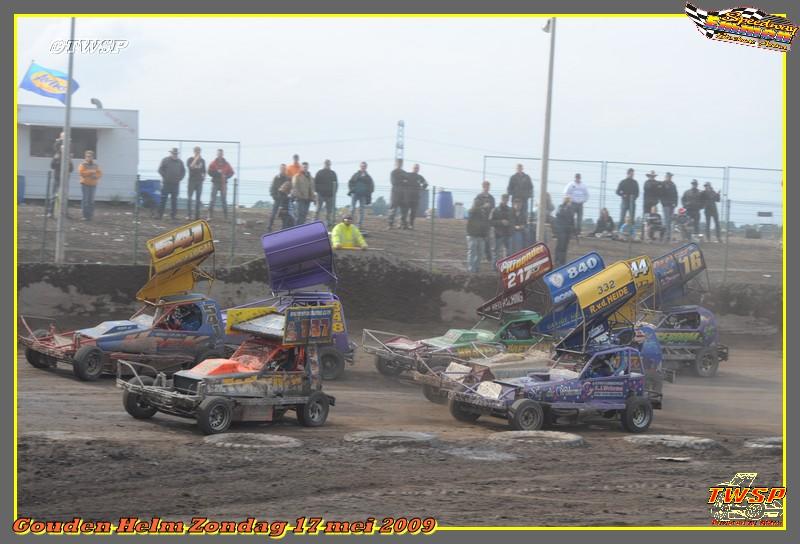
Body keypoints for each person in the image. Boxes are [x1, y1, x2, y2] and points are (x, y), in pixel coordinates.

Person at [157, 147, 186, 220]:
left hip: (175, 184)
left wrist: (180, 178)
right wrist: (165, 176)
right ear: (171, 153)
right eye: (173, 153)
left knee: (174, 200)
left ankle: (173, 215)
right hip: (166, 183)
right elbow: (160, 169)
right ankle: (160, 215)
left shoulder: (180, 162)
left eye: (176, 153)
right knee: (163, 199)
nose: (175, 155)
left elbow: (183, 171)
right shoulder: (165, 160)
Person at [207, 149, 234, 220]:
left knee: (224, 200)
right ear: (217, 154)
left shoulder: (227, 164)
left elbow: (231, 172)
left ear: (223, 155)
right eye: (219, 154)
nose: (220, 155)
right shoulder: (213, 163)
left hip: (223, 183)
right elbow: (209, 172)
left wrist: (226, 176)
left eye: (221, 154)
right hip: (215, 182)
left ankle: (226, 217)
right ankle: (209, 215)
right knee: (212, 199)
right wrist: (217, 173)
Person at [466, 198, 491, 273]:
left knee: (480, 253)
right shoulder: (472, 211)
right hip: (472, 235)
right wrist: (482, 207)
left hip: (481, 236)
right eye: (477, 203)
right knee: (472, 252)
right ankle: (471, 269)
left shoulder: (483, 212)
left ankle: (476, 268)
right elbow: (472, 211)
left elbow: (485, 223)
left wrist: (485, 234)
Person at [348, 161, 374, 229]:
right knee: (352, 209)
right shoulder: (355, 175)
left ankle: (359, 225)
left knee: (362, 210)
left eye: (364, 166)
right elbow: (350, 182)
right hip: (355, 194)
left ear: (366, 167)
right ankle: (349, 224)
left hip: (363, 195)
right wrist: (353, 190)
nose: (363, 167)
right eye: (362, 166)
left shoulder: (368, 177)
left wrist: (367, 193)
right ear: (360, 167)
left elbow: (371, 187)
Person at [48, 149, 73, 217]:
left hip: (65, 180)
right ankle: (51, 212)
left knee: (65, 196)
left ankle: (65, 213)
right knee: (54, 195)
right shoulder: (57, 156)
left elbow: (71, 169)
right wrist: (55, 159)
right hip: (57, 178)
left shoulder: (68, 157)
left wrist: (70, 161)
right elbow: (52, 166)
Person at [77, 150, 102, 221]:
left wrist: (96, 176)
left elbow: (99, 173)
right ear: (85, 157)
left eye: (90, 156)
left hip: (93, 184)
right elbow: (81, 173)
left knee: (91, 201)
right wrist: (91, 172)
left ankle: (90, 215)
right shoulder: (82, 165)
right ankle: (85, 216)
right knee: (85, 200)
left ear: (92, 157)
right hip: (85, 184)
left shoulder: (96, 165)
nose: (89, 158)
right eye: (87, 156)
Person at [475, 181, 496, 261]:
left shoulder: (491, 198)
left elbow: (494, 209)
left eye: (488, 186)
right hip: (480, 221)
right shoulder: (479, 197)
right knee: (480, 239)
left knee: (487, 239)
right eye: (485, 186)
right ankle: (479, 256)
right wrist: (484, 206)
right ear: (483, 187)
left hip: (488, 221)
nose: (487, 188)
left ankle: (488, 257)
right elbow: (475, 207)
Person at [314, 159, 338, 226]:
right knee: (318, 209)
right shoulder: (319, 172)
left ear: (330, 165)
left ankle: (328, 223)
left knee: (329, 211)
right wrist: (317, 192)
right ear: (324, 164)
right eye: (326, 164)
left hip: (330, 195)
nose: (327, 165)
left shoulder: (333, 173)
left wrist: (334, 193)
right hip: (320, 195)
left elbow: (336, 184)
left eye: (328, 164)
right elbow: (315, 183)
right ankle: (315, 222)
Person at [553, 196, 575, 266]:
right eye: (568, 201)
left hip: (567, 230)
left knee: (565, 247)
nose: (570, 203)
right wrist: (567, 208)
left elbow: (572, 219)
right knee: (560, 246)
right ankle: (557, 261)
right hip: (561, 230)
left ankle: (562, 261)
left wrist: (572, 230)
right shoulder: (561, 207)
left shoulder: (571, 209)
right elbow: (559, 214)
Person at [490, 194, 513, 260]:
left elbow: (513, 221)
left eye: (507, 199)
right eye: (504, 199)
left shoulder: (510, 210)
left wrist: (509, 223)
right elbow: (490, 222)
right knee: (496, 252)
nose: (505, 200)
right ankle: (495, 268)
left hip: (507, 234)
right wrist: (501, 222)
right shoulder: (495, 210)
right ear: (501, 199)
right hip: (498, 234)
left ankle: (506, 268)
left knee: (508, 253)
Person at [185, 146, 206, 220]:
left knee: (198, 199)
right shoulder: (190, 159)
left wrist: (203, 177)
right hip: (191, 181)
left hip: (199, 181)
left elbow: (204, 171)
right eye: (196, 151)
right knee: (189, 198)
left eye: (199, 151)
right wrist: (196, 158)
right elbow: (191, 167)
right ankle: (189, 215)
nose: (198, 152)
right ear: (194, 152)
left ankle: (197, 216)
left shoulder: (203, 161)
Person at [268, 164, 290, 231]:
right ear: (280, 169)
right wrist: (274, 196)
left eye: (284, 169)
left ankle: (284, 228)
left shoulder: (287, 178)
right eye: (282, 168)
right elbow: (272, 189)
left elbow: (289, 188)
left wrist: (287, 197)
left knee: (284, 215)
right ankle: (269, 226)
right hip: (277, 199)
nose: (283, 170)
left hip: (284, 200)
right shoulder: (276, 178)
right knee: (273, 214)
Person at [405, 163, 428, 229]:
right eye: (415, 168)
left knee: (413, 212)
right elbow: (402, 182)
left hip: (416, 197)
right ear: (412, 168)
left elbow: (425, 184)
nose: (416, 169)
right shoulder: (408, 175)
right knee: (405, 211)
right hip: (407, 196)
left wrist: (421, 188)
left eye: (417, 168)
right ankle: (403, 224)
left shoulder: (419, 177)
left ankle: (411, 224)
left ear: (419, 169)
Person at [388, 159, 408, 229]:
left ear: (402, 164)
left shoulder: (405, 173)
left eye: (401, 163)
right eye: (398, 163)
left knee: (404, 210)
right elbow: (393, 182)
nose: (399, 164)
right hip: (395, 194)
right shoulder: (393, 172)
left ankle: (402, 225)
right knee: (393, 210)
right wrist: (403, 181)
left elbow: (407, 182)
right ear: (396, 164)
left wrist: (402, 181)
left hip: (403, 194)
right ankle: (390, 225)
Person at [641, 170, 661, 240]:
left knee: (653, 221)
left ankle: (650, 236)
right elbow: (648, 188)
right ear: (649, 176)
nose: (652, 177)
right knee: (646, 220)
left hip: (653, 205)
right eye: (651, 176)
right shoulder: (647, 183)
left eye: (653, 176)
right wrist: (657, 185)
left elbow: (659, 191)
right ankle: (643, 236)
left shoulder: (656, 183)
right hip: (647, 204)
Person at [660, 172, 678, 242]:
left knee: (670, 220)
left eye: (671, 176)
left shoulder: (673, 185)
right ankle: (667, 236)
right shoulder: (663, 184)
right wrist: (663, 202)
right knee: (667, 220)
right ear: (666, 176)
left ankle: (667, 235)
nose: (670, 177)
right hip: (665, 205)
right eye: (669, 176)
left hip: (672, 205)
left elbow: (676, 194)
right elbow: (660, 194)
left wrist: (675, 203)